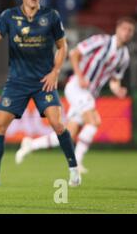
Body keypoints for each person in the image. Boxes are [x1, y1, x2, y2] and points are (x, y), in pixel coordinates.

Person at [0, 0, 81, 187]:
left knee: (58, 124)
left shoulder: (51, 16)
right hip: (17, 82)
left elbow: (62, 46)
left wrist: (56, 71)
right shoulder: (9, 16)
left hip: (44, 81)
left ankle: (74, 170)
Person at [16, 17, 135, 173]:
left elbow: (114, 80)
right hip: (76, 87)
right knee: (94, 121)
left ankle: (31, 144)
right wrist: (80, 76)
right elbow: (74, 54)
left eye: (130, 31)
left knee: (68, 134)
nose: (126, 33)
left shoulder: (124, 56)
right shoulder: (101, 41)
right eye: (124, 29)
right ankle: (77, 163)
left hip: (89, 94)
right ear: (117, 29)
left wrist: (117, 89)